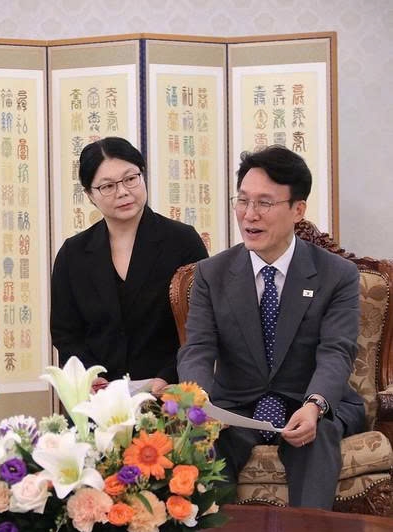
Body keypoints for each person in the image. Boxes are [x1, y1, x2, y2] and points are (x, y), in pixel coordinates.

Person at [177, 145, 366, 509]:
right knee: (202, 444)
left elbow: (336, 350)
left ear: (298, 209)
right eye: (243, 201)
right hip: (238, 407)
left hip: (308, 401)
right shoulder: (211, 274)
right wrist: (201, 403)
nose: (250, 215)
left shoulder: (336, 275)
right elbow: (197, 348)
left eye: (264, 203)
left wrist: (315, 404)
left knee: (318, 436)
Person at [50, 137, 208, 394]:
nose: (122, 191)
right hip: (99, 399)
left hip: (168, 395)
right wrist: (91, 377)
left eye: (130, 179)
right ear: (90, 195)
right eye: (108, 186)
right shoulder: (73, 253)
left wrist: (168, 376)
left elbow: (202, 323)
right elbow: (65, 333)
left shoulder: (182, 241)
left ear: (142, 176)